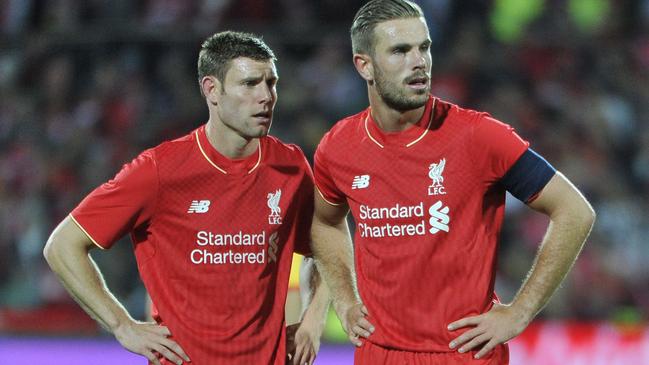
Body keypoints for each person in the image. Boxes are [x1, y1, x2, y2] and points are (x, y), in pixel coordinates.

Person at [310, 1, 596, 364]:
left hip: (462, 354)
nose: (419, 62)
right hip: (380, 354)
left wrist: (520, 311)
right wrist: (345, 299)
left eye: (424, 47)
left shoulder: (478, 137)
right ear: (364, 65)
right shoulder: (339, 147)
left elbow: (574, 211)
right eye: (400, 50)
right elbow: (324, 220)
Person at [43, 31, 329, 365]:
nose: (266, 96)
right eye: (250, 84)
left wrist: (313, 319)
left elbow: (326, 246)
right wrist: (122, 325)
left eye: (271, 83)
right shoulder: (160, 171)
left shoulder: (290, 166)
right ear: (212, 90)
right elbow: (63, 246)